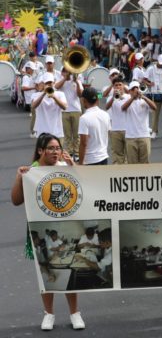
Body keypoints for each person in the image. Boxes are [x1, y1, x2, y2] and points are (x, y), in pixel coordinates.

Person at [11, 133, 85, 331]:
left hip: (66, 227)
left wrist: (73, 167)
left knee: (70, 271)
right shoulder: (32, 171)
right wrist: (20, 177)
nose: (55, 152)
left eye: (58, 148)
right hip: (41, 231)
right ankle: (49, 314)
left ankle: (75, 313)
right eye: (51, 148)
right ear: (40, 151)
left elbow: (88, 185)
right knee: (46, 271)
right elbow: (16, 200)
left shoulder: (65, 168)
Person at [121, 81, 156, 163]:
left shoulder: (144, 101)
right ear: (129, 91)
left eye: (137, 88)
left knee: (145, 163)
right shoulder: (127, 101)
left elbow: (154, 107)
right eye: (133, 89)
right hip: (130, 137)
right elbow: (123, 108)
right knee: (132, 164)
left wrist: (144, 97)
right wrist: (133, 98)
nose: (136, 90)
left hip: (144, 136)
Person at [55, 67, 84, 161]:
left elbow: (80, 95)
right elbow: (56, 87)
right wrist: (64, 78)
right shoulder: (61, 80)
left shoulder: (77, 80)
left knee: (77, 134)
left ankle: (77, 153)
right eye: (64, 71)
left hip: (76, 110)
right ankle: (70, 153)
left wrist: (76, 82)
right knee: (67, 135)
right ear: (62, 72)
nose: (67, 73)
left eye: (68, 71)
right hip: (64, 111)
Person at [78, 87, 111, 165]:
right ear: (97, 100)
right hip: (104, 157)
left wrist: (80, 163)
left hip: (90, 160)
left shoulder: (84, 118)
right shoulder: (106, 115)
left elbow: (83, 143)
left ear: (84, 100)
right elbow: (108, 133)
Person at [31, 72, 67, 139]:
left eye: (50, 82)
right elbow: (33, 106)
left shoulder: (60, 94)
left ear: (54, 83)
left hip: (57, 132)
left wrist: (54, 97)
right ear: (43, 84)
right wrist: (43, 93)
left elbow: (65, 107)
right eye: (47, 83)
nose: (49, 85)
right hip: (42, 132)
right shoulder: (35, 95)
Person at [144, 54, 162, 138]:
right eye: (160, 63)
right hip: (155, 93)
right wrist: (149, 84)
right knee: (155, 114)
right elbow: (144, 79)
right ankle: (154, 131)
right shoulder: (151, 69)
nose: (161, 65)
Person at [106, 77, 129, 164]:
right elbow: (107, 107)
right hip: (115, 129)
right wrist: (113, 97)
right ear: (113, 87)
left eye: (120, 85)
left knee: (128, 154)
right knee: (117, 154)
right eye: (116, 85)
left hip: (127, 129)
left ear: (123, 86)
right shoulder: (110, 98)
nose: (118, 87)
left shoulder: (129, 97)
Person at [21, 61, 37, 135]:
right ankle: (33, 132)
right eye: (32, 69)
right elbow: (24, 88)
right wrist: (34, 87)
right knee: (35, 116)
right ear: (28, 69)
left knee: (36, 116)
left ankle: (35, 131)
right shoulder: (26, 77)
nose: (33, 70)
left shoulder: (30, 76)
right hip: (31, 99)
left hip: (33, 98)